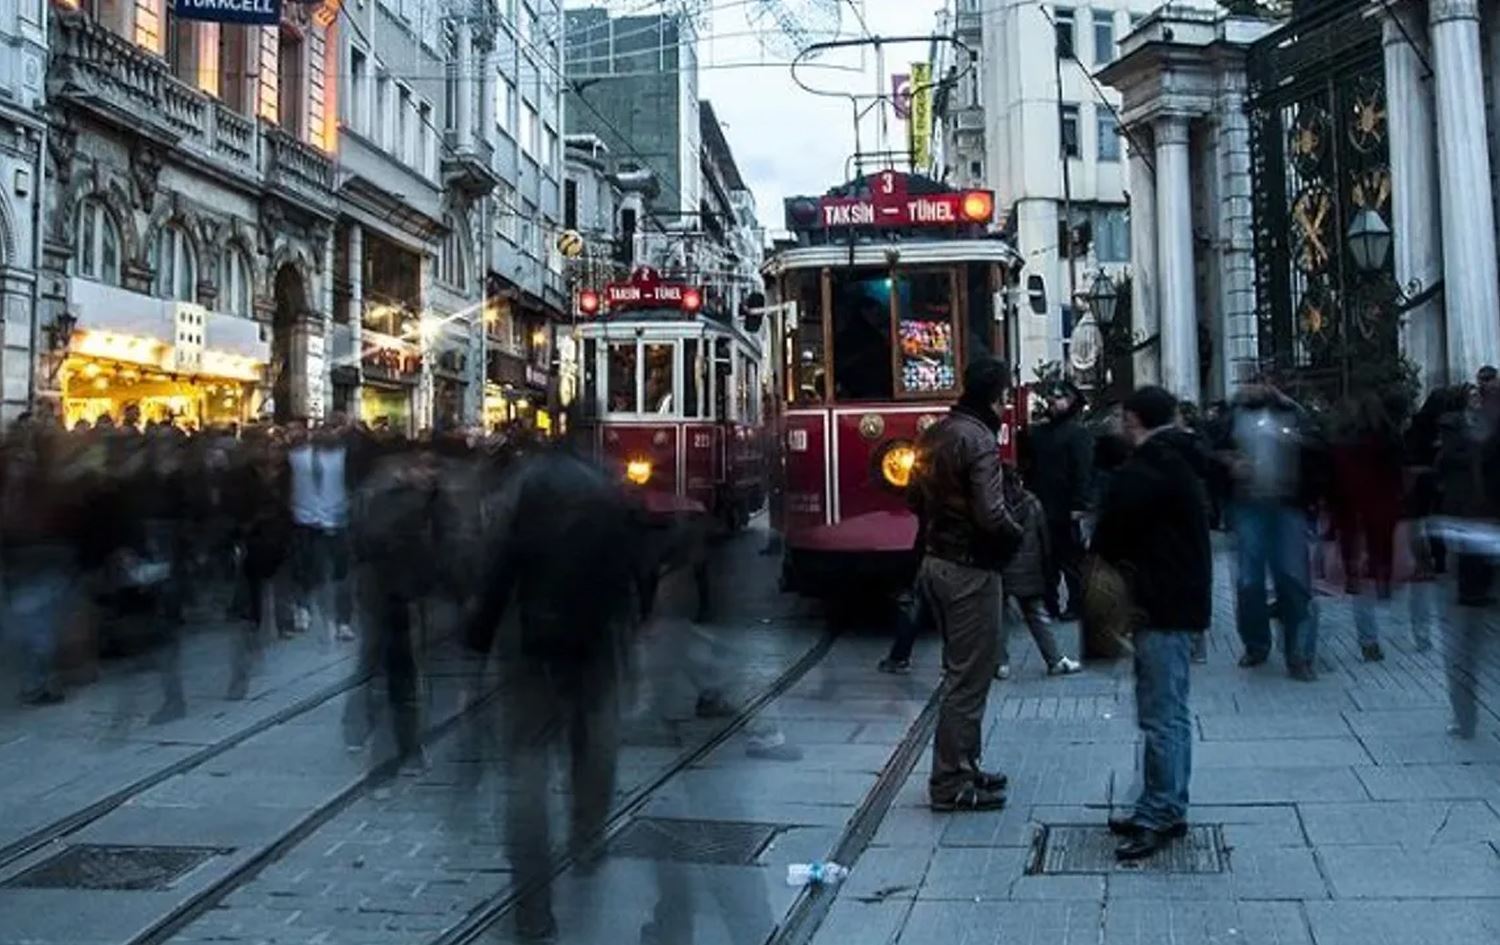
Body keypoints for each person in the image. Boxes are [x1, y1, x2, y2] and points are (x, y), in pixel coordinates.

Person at [1092, 386, 1211, 861]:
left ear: (1132, 418)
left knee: (1161, 712)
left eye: (1122, 418)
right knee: (1169, 709)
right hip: (1176, 600)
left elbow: (1110, 535)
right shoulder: (1177, 458)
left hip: (1161, 603)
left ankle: (1158, 812)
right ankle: (1164, 802)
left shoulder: (1150, 469)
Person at [907, 357, 1022, 812]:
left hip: (936, 560)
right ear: (995, 397)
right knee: (969, 677)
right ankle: (951, 780)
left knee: (964, 672)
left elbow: (913, 496)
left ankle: (965, 765)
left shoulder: (938, 432)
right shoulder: (979, 440)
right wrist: (1017, 535)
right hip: (970, 567)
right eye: (1005, 395)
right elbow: (991, 514)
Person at [1221, 380, 1322, 681]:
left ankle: (1299, 653)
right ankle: (1256, 644)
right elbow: (1212, 448)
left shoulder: (1293, 413)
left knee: (1293, 580)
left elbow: (1316, 447)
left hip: (1287, 506)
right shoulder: (1234, 416)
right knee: (1249, 581)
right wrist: (1230, 462)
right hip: (1248, 505)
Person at [998, 470, 1081, 679]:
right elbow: (1044, 538)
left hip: (1002, 568)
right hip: (1030, 570)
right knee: (1036, 615)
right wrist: (1047, 569)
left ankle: (1000, 664)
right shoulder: (1032, 503)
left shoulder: (994, 505)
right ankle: (1055, 660)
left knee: (1000, 617)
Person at [1025, 381, 1094, 620]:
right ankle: (1050, 604)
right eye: (1052, 398)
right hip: (1043, 504)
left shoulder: (1078, 433)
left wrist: (1079, 505)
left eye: (1060, 398)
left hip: (1066, 507)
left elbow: (1083, 471)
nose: (1054, 402)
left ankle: (1076, 604)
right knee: (1046, 561)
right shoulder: (1039, 433)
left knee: (1071, 560)